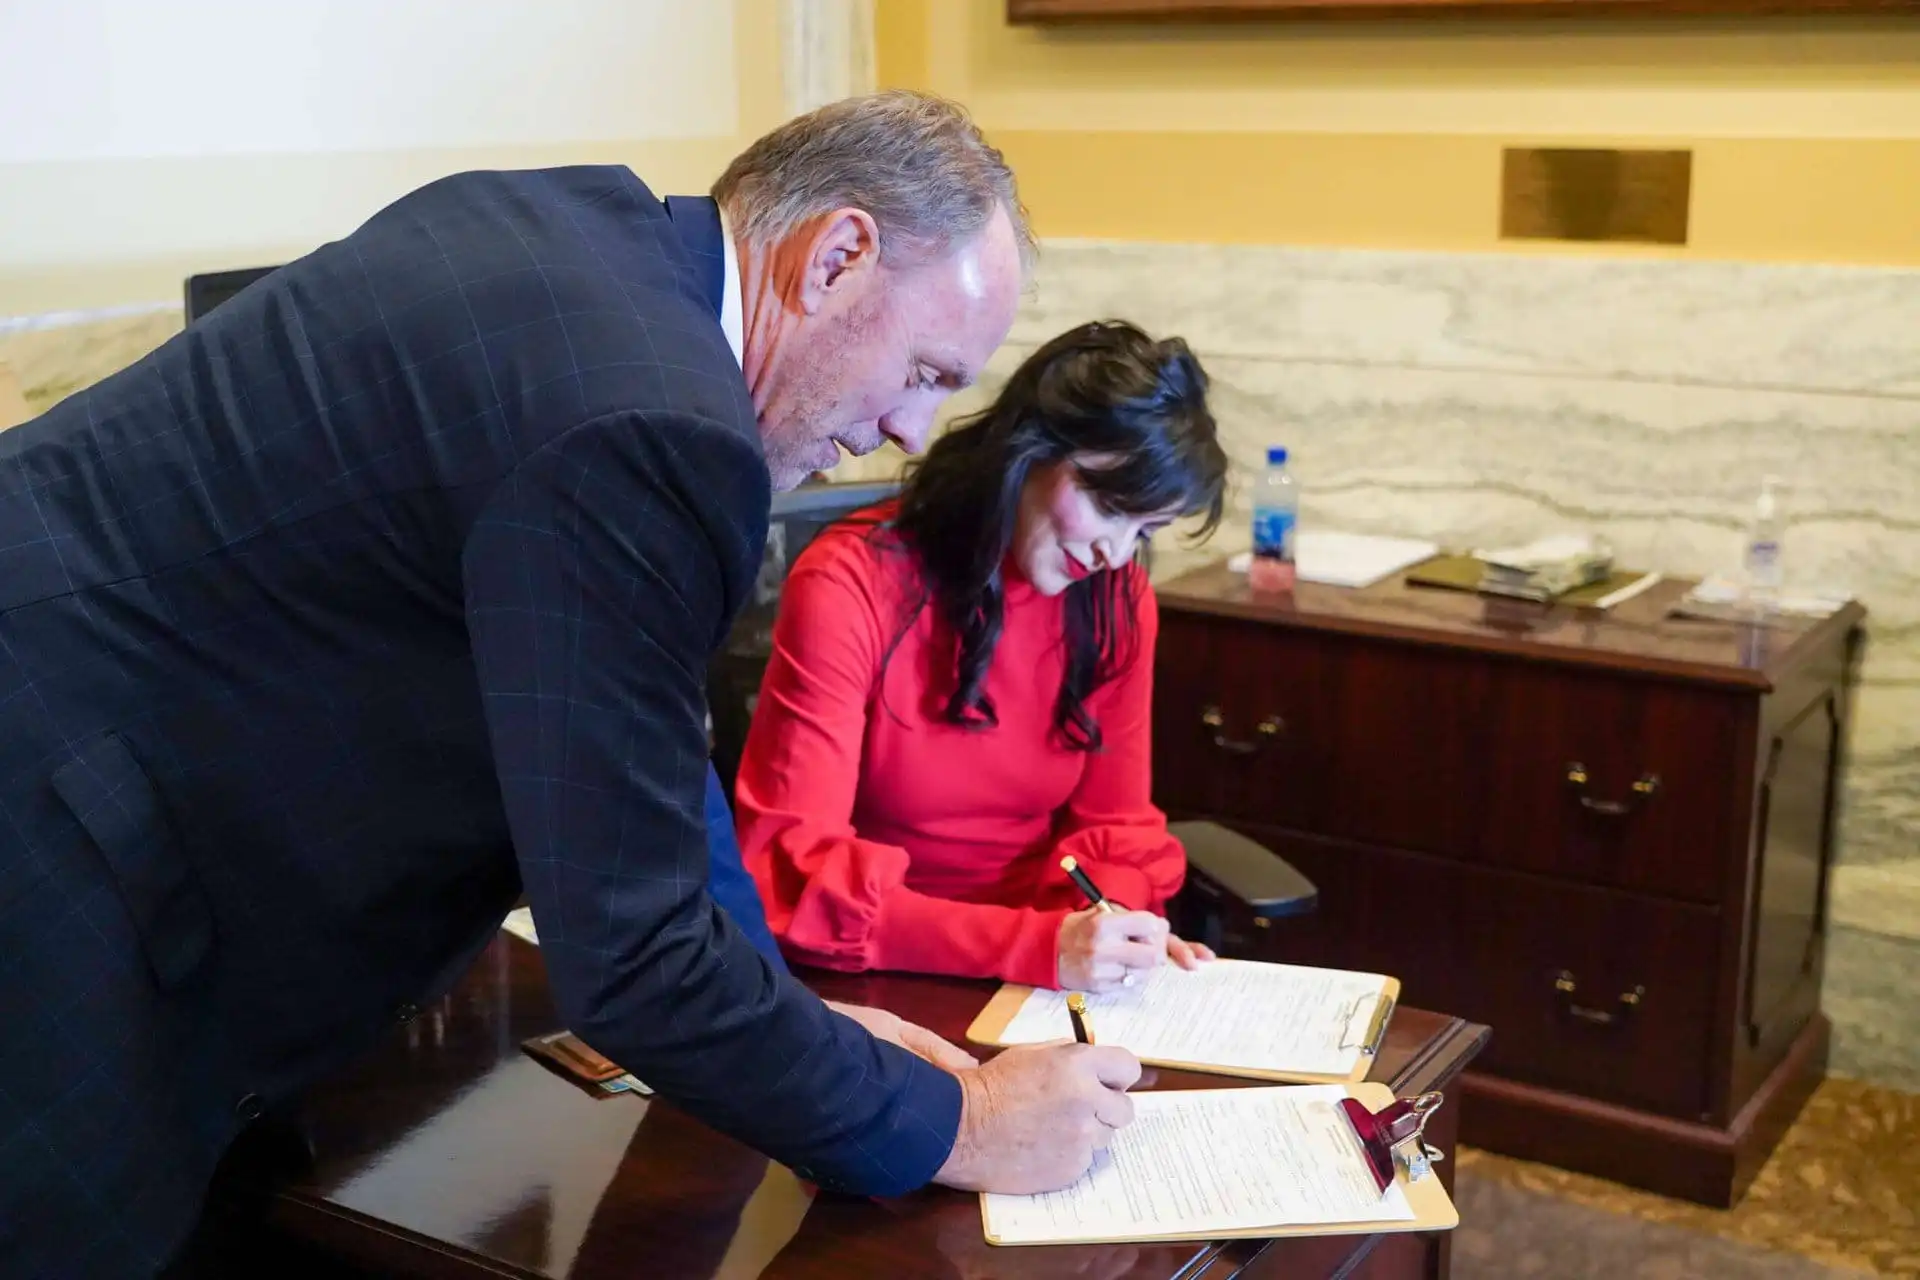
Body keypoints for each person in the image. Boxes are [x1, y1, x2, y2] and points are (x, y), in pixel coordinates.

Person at [0, 91, 1142, 1279]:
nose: (914, 430)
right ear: (837, 256)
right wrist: (971, 1123)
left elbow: (646, 757)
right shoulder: (654, 424)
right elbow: (637, 959)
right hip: (58, 849)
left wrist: (795, 1021)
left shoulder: (583, 232)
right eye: (923, 369)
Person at [735, 321, 1228, 993]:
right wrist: (1031, 945)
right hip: (878, 967)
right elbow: (796, 871)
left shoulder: (1118, 599)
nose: (1116, 552)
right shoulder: (850, 583)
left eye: (1145, 529)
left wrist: (1114, 926)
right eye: (1108, 507)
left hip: (1047, 976)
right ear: (1028, 452)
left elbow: (1113, 824)